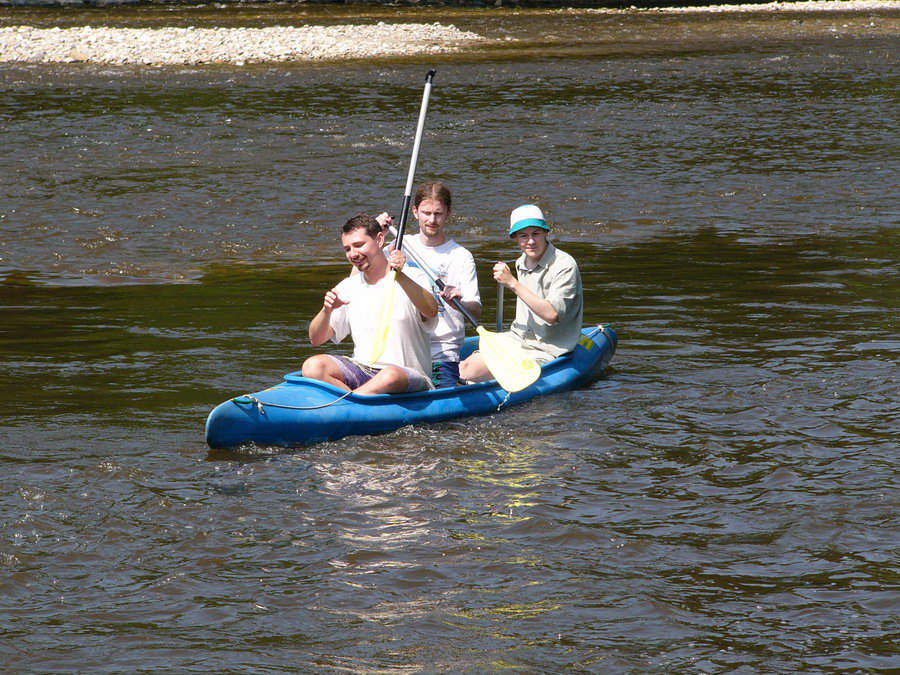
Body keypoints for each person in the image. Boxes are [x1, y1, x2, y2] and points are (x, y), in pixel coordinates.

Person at [303, 214, 439, 395]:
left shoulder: (413, 276)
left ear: (380, 239)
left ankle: (352, 400)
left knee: (389, 375)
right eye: (347, 249)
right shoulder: (347, 286)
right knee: (312, 366)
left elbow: (431, 310)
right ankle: (357, 399)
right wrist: (326, 310)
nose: (353, 254)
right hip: (363, 369)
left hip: (407, 375)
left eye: (359, 245)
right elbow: (316, 339)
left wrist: (400, 276)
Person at [459, 204, 583, 383]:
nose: (531, 241)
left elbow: (551, 314)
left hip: (546, 348)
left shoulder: (564, 265)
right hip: (517, 339)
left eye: (536, 233)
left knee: (470, 374)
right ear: (515, 237)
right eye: (524, 235)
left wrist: (512, 283)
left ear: (546, 232)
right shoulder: (521, 262)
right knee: (464, 369)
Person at [375, 181, 481, 388]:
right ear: (414, 212)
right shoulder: (398, 246)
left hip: (441, 352)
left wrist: (457, 302)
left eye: (438, 213)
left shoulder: (461, 256)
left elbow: (475, 310)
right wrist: (374, 234)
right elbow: (361, 271)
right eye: (426, 213)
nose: (432, 220)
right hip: (402, 350)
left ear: (448, 214)